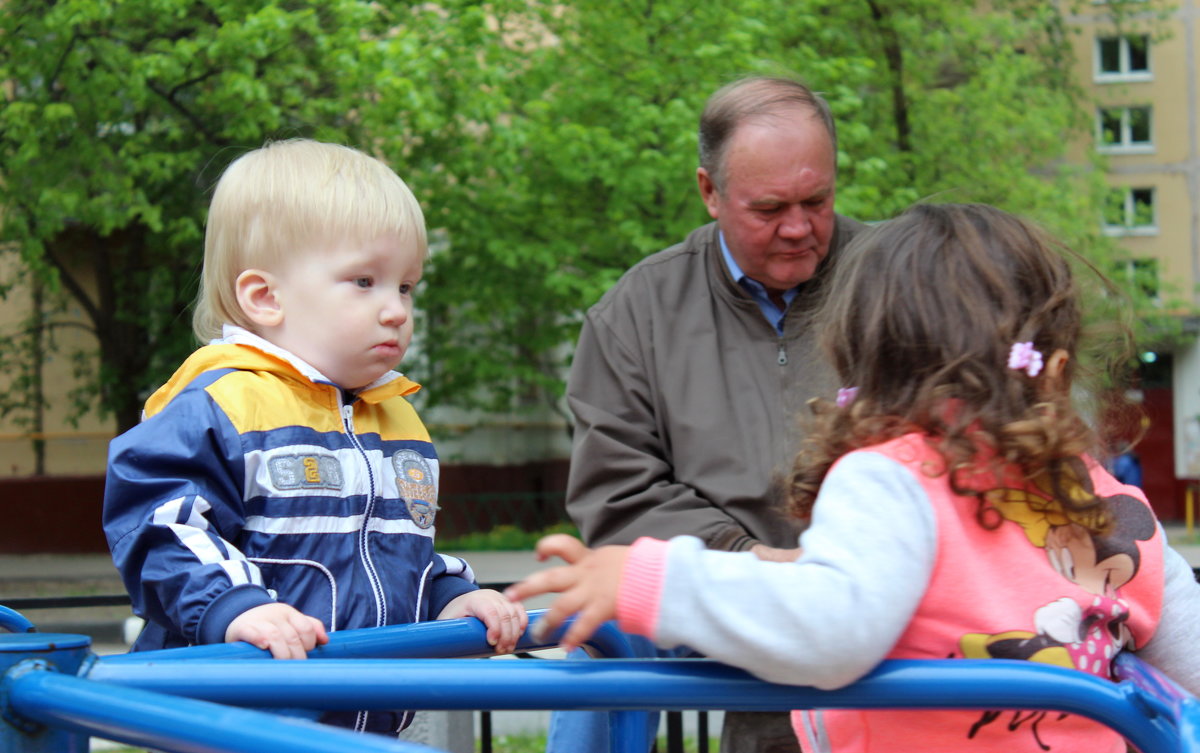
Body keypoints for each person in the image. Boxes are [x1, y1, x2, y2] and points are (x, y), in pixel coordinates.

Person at [509, 203, 1200, 753]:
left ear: (867, 357)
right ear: (1051, 368)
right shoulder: (1115, 508)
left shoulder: (894, 480)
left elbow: (831, 627)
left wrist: (648, 578)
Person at [102, 139, 527, 735]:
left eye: (405, 286)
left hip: (362, 723)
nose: (397, 310)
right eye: (364, 281)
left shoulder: (393, 418)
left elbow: (394, 554)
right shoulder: (222, 406)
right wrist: (236, 608)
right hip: (232, 722)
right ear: (265, 297)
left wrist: (450, 597)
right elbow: (162, 528)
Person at [553, 75, 865, 752]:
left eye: (818, 201)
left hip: (873, 593)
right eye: (769, 208)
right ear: (709, 192)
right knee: (600, 635)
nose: (798, 228)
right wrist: (747, 559)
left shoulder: (894, 282)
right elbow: (618, 494)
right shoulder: (637, 313)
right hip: (719, 591)